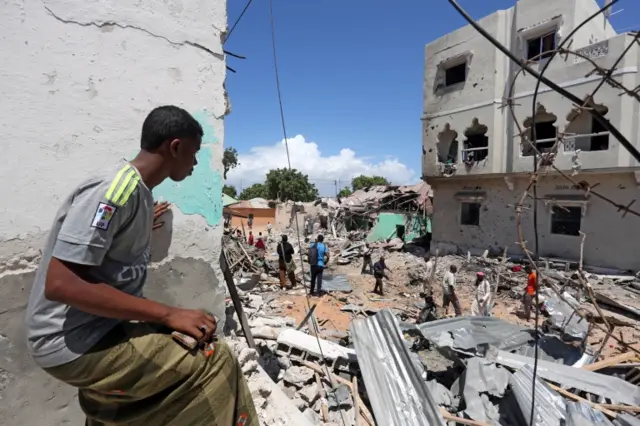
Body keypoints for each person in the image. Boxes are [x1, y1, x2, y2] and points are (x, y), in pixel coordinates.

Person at [24, 106, 257, 426]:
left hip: (101, 329)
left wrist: (139, 226)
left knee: (136, 398)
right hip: (74, 342)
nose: (195, 163)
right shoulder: (115, 190)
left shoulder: (139, 197)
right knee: (215, 360)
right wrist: (169, 313)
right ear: (174, 147)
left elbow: (105, 253)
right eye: (194, 153)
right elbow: (61, 284)